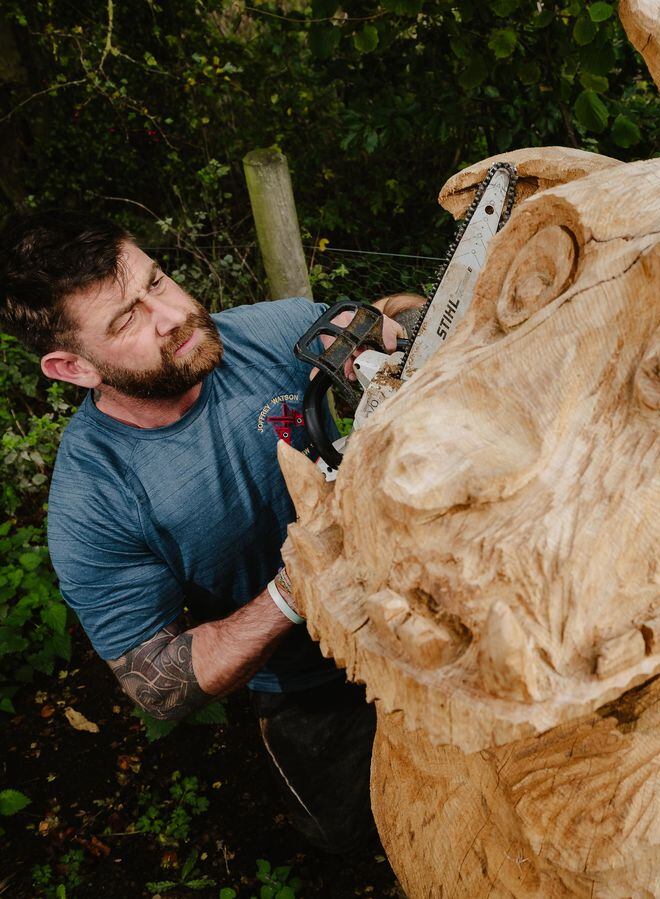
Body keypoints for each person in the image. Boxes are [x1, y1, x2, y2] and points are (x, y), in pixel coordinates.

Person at [0, 209, 412, 854]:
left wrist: (399, 329)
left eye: (156, 282)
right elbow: (155, 682)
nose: (172, 316)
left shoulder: (269, 332)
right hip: (311, 680)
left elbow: (388, 310)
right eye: (127, 319)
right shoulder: (95, 502)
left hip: (429, 602)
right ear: (73, 368)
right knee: (353, 829)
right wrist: (294, 589)